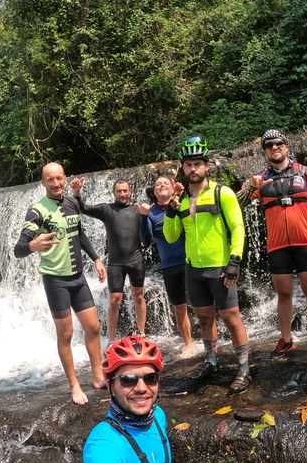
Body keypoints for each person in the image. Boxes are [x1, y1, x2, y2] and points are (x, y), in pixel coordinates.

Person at [238, 128, 307, 361]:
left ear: (286, 146)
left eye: (279, 143)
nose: (275, 147)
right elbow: (235, 203)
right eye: (269, 145)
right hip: (277, 245)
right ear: (265, 151)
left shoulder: (305, 173)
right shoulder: (260, 179)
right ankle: (286, 340)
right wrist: (253, 187)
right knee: (284, 294)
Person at [163, 137, 252, 395]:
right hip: (194, 269)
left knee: (230, 317)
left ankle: (244, 369)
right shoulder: (180, 200)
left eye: (198, 164)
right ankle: (212, 361)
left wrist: (235, 260)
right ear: (183, 168)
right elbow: (171, 237)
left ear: (206, 166)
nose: (193, 169)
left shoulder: (221, 193)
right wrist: (170, 212)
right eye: (189, 164)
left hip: (220, 267)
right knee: (204, 317)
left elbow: (237, 227)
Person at [14, 162, 108, 405]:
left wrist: (96, 259)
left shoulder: (73, 203)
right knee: (66, 334)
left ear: (65, 178)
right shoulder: (36, 211)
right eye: (50, 180)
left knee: (94, 327)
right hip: (56, 281)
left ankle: (98, 376)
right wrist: (32, 245)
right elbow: (19, 248)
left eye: (59, 178)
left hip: (78, 277)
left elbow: (80, 234)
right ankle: (74, 385)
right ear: (43, 182)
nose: (55, 183)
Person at [71, 177, 151, 341]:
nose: (122, 194)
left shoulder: (138, 210)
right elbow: (83, 208)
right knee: (115, 300)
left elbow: (147, 237)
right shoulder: (106, 210)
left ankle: (142, 333)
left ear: (130, 192)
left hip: (136, 261)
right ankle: (111, 340)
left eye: (125, 191)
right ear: (114, 193)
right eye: (119, 191)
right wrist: (77, 192)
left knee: (139, 296)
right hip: (116, 263)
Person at [146, 175, 196, 357]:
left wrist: (182, 196)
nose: (161, 186)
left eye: (165, 183)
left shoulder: (184, 203)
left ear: (173, 188)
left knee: (202, 304)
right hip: (168, 266)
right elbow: (146, 239)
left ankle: (210, 341)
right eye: (158, 184)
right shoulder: (151, 213)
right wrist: (143, 217)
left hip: (189, 262)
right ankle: (189, 344)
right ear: (154, 191)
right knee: (179, 306)